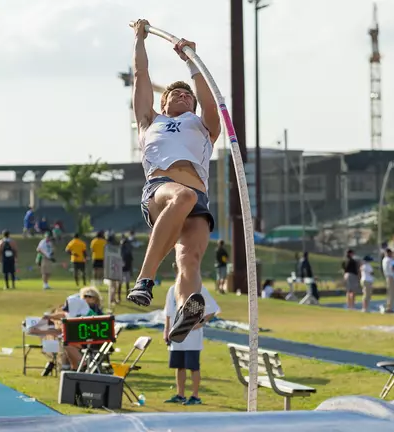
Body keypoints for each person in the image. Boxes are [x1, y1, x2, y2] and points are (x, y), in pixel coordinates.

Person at [128, 19, 220, 344]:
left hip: (198, 197)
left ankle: (186, 309)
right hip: (161, 190)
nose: (182, 96)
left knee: (189, 259)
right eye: (175, 94)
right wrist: (139, 38)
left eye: (187, 95)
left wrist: (192, 63)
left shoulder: (203, 126)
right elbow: (140, 77)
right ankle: (144, 279)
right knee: (182, 197)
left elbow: (211, 104)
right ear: (163, 103)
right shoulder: (150, 121)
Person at [163, 283, 219, 406]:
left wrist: (199, 323)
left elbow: (213, 310)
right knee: (179, 366)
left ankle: (195, 396)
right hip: (176, 335)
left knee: (193, 367)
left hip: (192, 338)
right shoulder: (172, 289)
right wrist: (166, 330)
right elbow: (168, 312)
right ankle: (180, 395)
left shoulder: (199, 289)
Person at [46, 287, 104, 370]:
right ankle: (75, 367)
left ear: (95, 299)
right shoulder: (78, 307)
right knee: (66, 341)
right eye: (85, 296)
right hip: (81, 338)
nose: (87, 298)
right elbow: (65, 314)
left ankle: (82, 364)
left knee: (67, 343)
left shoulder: (94, 311)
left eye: (90, 296)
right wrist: (48, 317)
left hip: (92, 340)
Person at [120, 235, 134, 300]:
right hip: (124, 269)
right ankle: (125, 296)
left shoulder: (122, 251)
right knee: (125, 284)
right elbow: (131, 262)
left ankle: (121, 297)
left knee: (123, 284)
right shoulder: (124, 252)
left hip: (123, 269)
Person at [381, 249, 394, 314]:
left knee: (389, 292)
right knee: (391, 293)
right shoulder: (389, 260)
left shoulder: (384, 259)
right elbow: (392, 268)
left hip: (387, 276)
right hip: (390, 276)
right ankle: (389, 308)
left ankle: (389, 306)